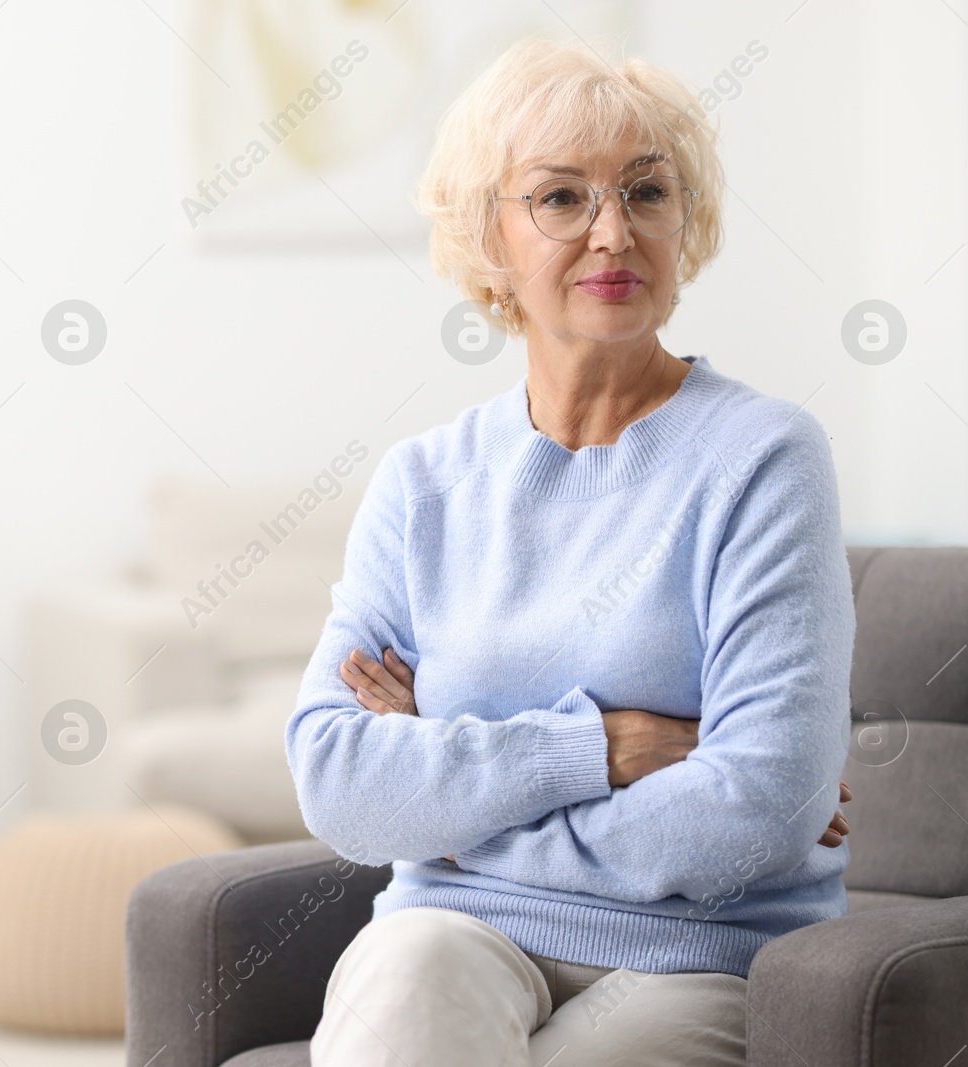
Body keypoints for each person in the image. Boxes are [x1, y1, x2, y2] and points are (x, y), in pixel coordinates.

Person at [284, 35, 855, 1067]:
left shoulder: (764, 458)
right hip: (449, 927)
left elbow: (765, 803)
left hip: (696, 952)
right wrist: (600, 750)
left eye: (646, 192)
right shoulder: (423, 482)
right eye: (559, 198)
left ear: (686, 222)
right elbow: (336, 774)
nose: (612, 232)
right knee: (401, 989)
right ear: (490, 235)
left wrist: (453, 814)